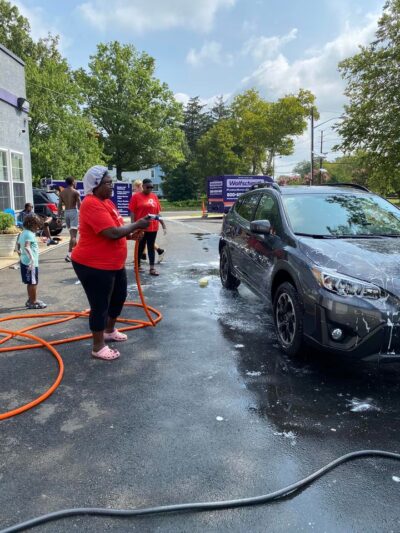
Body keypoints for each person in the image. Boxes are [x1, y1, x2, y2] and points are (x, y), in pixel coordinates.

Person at [71, 165, 150, 361]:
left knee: (119, 297)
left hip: (113, 264)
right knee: (100, 305)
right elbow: (112, 233)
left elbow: (117, 229)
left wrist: (130, 235)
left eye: (111, 182)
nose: (111, 186)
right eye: (107, 183)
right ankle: (98, 347)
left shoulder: (107, 202)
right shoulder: (91, 203)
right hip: (93, 264)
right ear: (95, 185)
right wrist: (137, 224)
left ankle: (109, 330)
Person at [129, 178, 166, 276]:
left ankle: (152, 268)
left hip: (153, 227)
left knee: (150, 247)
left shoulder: (154, 196)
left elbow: (157, 213)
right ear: (143, 186)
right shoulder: (136, 197)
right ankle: (137, 265)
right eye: (148, 187)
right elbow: (132, 212)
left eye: (151, 187)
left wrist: (163, 224)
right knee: (140, 247)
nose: (150, 189)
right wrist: (133, 226)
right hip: (140, 227)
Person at [19, 214, 47, 309]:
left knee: (30, 282)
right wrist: (32, 260)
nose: (38, 228)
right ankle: (33, 302)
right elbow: (27, 247)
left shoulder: (23, 233)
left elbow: (19, 247)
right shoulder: (29, 234)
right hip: (30, 263)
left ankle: (31, 299)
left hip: (24, 261)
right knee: (33, 282)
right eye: (37, 226)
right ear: (32, 224)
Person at [58, 176, 81, 262]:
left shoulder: (62, 193)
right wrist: (82, 214)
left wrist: (59, 217)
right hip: (73, 212)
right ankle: (69, 254)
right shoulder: (75, 192)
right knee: (73, 236)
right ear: (73, 182)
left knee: (72, 235)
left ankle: (78, 252)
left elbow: (59, 205)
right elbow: (79, 205)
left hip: (66, 213)